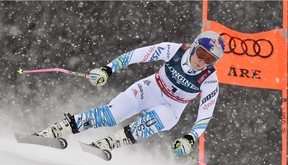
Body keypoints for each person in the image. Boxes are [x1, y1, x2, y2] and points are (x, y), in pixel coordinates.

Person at [35, 31, 225, 156]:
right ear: (193, 46)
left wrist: (190, 138)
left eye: (210, 59)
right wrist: (108, 69)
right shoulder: (174, 50)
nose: (203, 61)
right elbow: (137, 55)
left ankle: (108, 143)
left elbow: (205, 115)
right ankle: (56, 130)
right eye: (201, 54)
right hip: (152, 88)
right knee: (110, 115)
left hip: (171, 107)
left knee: (154, 120)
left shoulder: (210, 80)